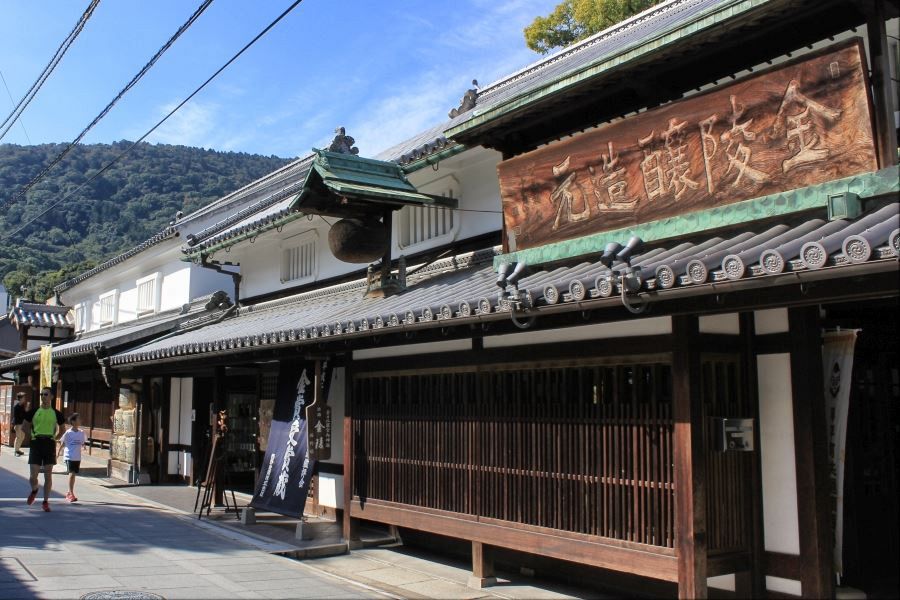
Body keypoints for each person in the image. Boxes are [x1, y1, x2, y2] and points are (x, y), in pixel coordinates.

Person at [22, 387, 65, 512]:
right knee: (33, 476)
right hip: (36, 443)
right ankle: (35, 490)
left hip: (49, 444)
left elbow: (62, 430)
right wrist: (32, 437)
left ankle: (45, 502)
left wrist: (54, 438)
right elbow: (24, 426)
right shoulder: (34, 411)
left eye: (45, 394)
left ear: (51, 396)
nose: (43, 396)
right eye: (41, 394)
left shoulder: (56, 413)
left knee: (48, 475)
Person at [57, 413, 85, 502]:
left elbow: (82, 442)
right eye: (78, 419)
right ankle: (71, 494)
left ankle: (69, 492)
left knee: (73, 475)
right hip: (69, 455)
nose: (80, 420)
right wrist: (58, 452)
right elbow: (63, 443)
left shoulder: (81, 432)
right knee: (72, 474)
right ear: (73, 421)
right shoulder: (68, 433)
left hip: (77, 457)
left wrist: (84, 446)